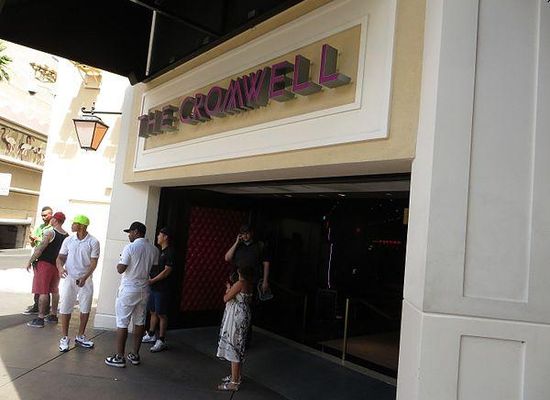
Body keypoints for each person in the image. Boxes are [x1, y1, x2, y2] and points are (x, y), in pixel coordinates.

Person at [105, 221, 159, 368]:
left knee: (122, 322)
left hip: (128, 289)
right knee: (139, 322)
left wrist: (120, 260)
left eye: (130, 232)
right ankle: (135, 354)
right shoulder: (154, 250)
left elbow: (120, 269)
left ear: (136, 232)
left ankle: (119, 357)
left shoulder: (129, 247)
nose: (129, 235)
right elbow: (154, 269)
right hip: (144, 290)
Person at [56, 214, 100, 352]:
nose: (72, 225)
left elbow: (94, 262)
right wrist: (60, 268)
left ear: (81, 226)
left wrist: (85, 277)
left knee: (85, 308)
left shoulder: (93, 242)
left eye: (74, 223)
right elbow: (60, 257)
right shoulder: (69, 240)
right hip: (69, 279)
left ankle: (80, 336)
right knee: (65, 307)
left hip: (86, 280)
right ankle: (64, 337)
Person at [224, 224, 271, 344]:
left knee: (247, 310)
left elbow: (266, 263)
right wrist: (236, 242)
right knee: (233, 307)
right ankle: (231, 336)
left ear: (252, 233)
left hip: (252, 281)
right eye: (243, 234)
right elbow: (227, 258)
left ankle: (245, 339)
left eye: (247, 233)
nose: (245, 236)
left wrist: (265, 281)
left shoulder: (259, 246)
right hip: (237, 279)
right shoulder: (239, 246)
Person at [25, 212, 68, 328]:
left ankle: (40, 318)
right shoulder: (66, 236)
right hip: (57, 265)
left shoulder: (50, 232)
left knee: (43, 291)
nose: (51, 220)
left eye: (52, 218)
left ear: (55, 220)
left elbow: (40, 248)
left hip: (45, 264)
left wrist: (30, 261)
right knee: (55, 290)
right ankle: (53, 315)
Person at [216, 264, 254, 392]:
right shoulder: (249, 284)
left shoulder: (240, 283)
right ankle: (236, 376)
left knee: (234, 346)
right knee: (239, 345)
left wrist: (228, 289)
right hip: (244, 314)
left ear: (240, 272)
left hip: (236, 317)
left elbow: (226, 298)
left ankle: (234, 382)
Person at [142, 227, 175, 352]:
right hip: (154, 287)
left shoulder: (170, 252)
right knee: (153, 311)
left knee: (162, 314)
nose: (158, 237)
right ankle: (151, 334)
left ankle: (161, 340)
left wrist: (153, 280)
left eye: (160, 235)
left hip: (162, 288)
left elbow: (167, 271)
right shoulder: (160, 251)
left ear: (165, 237)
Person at [23, 206, 52, 315]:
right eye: (42, 216)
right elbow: (33, 244)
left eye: (45, 215)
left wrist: (37, 239)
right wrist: (32, 240)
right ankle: (36, 305)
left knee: (45, 285)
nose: (43, 217)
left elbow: (48, 241)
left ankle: (44, 309)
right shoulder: (40, 227)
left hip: (46, 258)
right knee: (37, 284)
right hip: (37, 257)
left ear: (51, 215)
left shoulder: (52, 229)